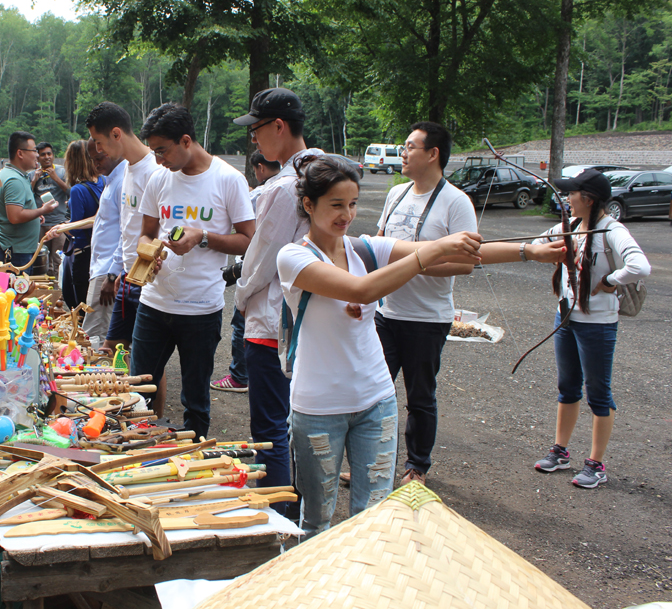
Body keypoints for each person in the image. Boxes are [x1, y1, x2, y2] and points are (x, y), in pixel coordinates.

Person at [277, 154, 563, 536]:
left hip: (376, 401)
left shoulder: (363, 248)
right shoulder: (293, 257)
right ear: (309, 205)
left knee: (373, 519)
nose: (347, 214)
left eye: (353, 204)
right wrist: (428, 251)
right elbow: (363, 290)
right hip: (318, 408)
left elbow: (463, 254)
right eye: (335, 205)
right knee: (315, 521)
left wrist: (529, 251)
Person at [132, 103, 254, 438]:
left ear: (186, 140)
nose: (158, 160)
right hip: (154, 304)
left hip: (201, 309)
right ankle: (135, 457)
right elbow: (146, 232)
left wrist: (202, 237)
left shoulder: (228, 180)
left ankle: (192, 461)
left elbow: (248, 241)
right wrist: (149, 253)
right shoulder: (159, 178)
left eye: (162, 150)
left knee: (196, 400)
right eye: (154, 152)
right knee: (137, 391)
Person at [531, 169, 650, 489]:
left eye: (572, 194)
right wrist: (542, 249)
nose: (567, 199)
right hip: (566, 320)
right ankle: (560, 451)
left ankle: (596, 464)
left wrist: (610, 281)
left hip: (597, 326)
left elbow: (640, 266)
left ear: (589, 199)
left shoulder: (613, 231)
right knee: (568, 387)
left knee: (598, 394)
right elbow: (536, 244)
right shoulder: (568, 227)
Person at [375, 121, 477, 487]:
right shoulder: (397, 193)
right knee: (375, 393)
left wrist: (413, 265)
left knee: (420, 397)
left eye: (410, 147)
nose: (403, 153)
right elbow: (381, 243)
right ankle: (373, 462)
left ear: (433, 154)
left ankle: (416, 467)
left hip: (426, 319)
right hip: (385, 312)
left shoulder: (456, 201)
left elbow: (466, 263)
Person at [231, 88, 322, 491]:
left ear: (279, 126)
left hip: (272, 324)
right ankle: (299, 509)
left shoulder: (285, 187)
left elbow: (260, 260)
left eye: (257, 129)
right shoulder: (326, 171)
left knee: (270, 431)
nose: (254, 139)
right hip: (313, 319)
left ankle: (280, 517)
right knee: (300, 425)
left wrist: (239, 298)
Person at [85, 102, 160, 353]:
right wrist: (119, 270)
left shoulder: (154, 171)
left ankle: (145, 394)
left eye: (98, 141)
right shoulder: (127, 169)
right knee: (112, 349)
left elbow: (160, 229)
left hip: (147, 281)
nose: (98, 149)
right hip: (127, 277)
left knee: (145, 358)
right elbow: (126, 228)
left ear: (116, 134)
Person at [211, 151, 282, 395]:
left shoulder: (260, 194)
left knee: (242, 324)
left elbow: (236, 225)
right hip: (280, 277)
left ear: (260, 168)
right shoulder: (290, 189)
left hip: (252, 269)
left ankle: (239, 375)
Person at [81, 138, 126, 344]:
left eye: (99, 158)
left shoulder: (122, 181)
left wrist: (112, 274)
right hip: (101, 268)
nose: (95, 164)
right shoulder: (111, 180)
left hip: (107, 271)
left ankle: (102, 376)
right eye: (92, 159)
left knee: (96, 337)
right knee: (97, 333)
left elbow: (128, 231)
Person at [0, 132, 58, 271]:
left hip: (17, 249)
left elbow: (15, 210)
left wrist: (35, 215)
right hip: (16, 253)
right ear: (20, 153)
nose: (37, 155)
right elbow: (15, 216)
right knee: (14, 292)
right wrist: (43, 210)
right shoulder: (14, 180)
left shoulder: (8, 174)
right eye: (34, 151)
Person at [56, 140, 105, 309]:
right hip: (101, 252)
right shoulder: (105, 181)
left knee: (79, 306)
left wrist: (62, 227)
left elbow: (75, 228)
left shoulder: (78, 190)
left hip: (83, 253)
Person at [31, 142, 69, 277]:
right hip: (41, 223)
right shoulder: (32, 174)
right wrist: (34, 180)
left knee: (58, 258)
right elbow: (26, 197)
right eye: (43, 155)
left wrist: (56, 178)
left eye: (49, 154)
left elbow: (70, 191)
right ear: (37, 157)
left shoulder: (62, 172)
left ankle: (59, 290)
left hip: (59, 222)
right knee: (39, 258)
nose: (47, 157)